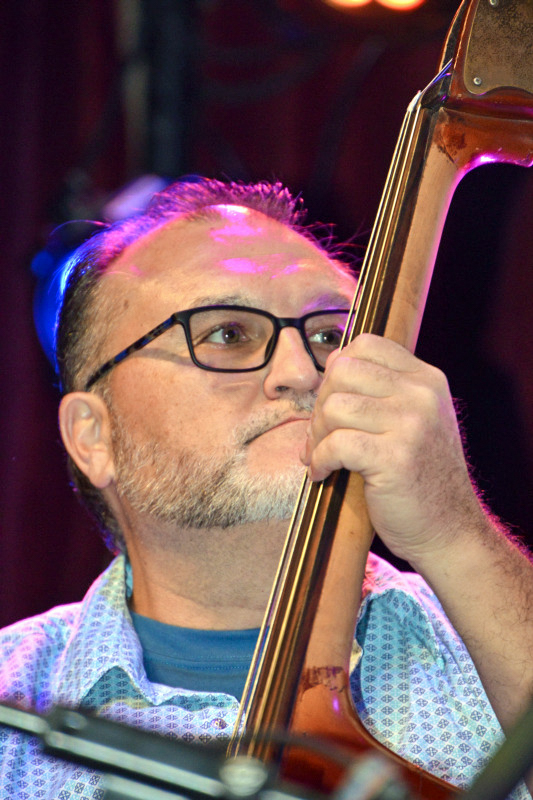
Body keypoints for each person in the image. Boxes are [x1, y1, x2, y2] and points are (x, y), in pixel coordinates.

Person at [0, 178, 532, 800]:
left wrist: (453, 532)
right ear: (94, 436)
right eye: (228, 333)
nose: (304, 372)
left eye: (331, 336)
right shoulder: (14, 706)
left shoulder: (485, 639)